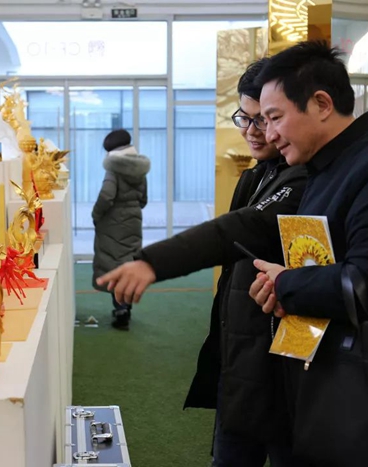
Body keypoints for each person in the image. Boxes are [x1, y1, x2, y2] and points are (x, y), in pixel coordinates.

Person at [97, 59, 306, 466]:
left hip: (280, 359)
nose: (253, 131)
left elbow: (240, 229)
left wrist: (153, 263)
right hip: (240, 353)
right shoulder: (255, 175)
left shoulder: (302, 176)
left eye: (266, 120)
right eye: (245, 118)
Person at [248, 41, 368, 465]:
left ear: (321, 103)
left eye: (275, 118)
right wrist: (283, 289)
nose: (269, 134)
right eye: (263, 121)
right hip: (331, 386)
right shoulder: (326, 166)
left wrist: (288, 283)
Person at [91, 129, 150, 330]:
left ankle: (121, 309)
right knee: (128, 262)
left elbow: (107, 195)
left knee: (114, 264)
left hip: (113, 223)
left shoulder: (113, 169)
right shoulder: (139, 168)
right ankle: (126, 306)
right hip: (133, 220)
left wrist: (96, 214)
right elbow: (143, 199)